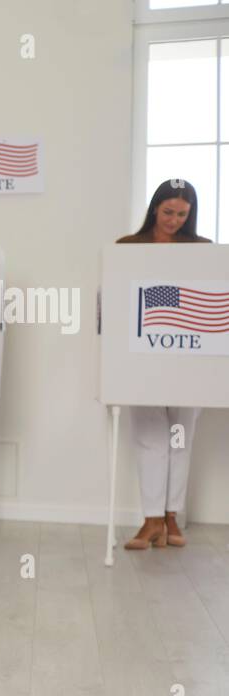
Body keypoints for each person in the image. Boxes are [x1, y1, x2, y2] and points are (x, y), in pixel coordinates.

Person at [118, 178, 212, 550]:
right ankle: (151, 518)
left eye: (182, 215)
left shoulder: (203, 249)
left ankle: (172, 516)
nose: (173, 220)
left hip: (190, 356)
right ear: (155, 207)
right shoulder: (128, 247)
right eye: (168, 211)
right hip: (141, 356)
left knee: (179, 437)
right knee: (149, 438)